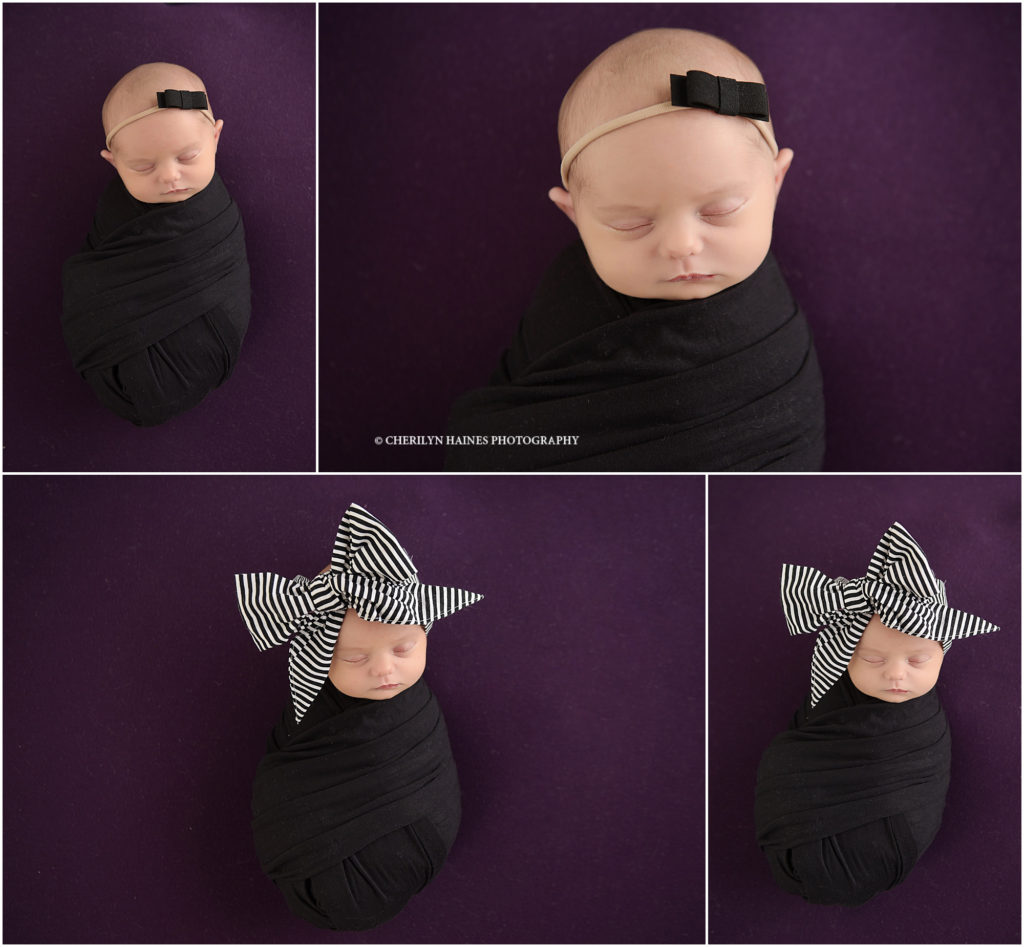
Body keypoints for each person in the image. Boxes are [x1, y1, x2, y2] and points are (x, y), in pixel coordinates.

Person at [445, 28, 824, 472]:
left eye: (720, 210)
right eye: (632, 223)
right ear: (575, 217)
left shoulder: (771, 332)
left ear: (775, 184)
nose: (682, 245)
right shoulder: (568, 298)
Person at [235, 503, 483, 930]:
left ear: (424, 633)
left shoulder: (416, 712)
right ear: (315, 661)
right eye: (354, 658)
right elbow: (288, 779)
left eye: (402, 649)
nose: (384, 669)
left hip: (407, 849)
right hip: (317, 862)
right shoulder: (309, 718)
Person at [754, 522, 998, 905]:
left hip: (886, 846)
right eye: (872, 658)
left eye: (918, 659)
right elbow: (797, 759)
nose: (897, 674)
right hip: (801, 836)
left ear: (942, 653)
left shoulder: (922, 727)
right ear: (842, 653)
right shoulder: (828, 704)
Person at [61, 62, 250, 426]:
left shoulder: (213, 216)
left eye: (188, 157)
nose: (169, 176)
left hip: (197, 352)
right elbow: (97, 275)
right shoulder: (116, 210)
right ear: (113, 163)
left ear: (215, 138)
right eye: (143, 168)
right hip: (117, 359)